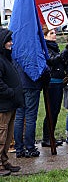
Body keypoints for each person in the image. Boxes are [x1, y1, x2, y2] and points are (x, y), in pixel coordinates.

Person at [0, 29, 23, 175]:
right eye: (8, 41)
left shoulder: (6, 58)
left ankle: (4, 160)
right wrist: (11, 92)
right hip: (3, 104)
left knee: (8, 135)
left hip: (11, 104)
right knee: (1, 134)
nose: (11, 43)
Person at [41, 25, 66, 148]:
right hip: (52, 82)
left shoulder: (55, 47)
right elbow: (51, 60)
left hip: (59, 81)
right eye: (51, 33)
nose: (54, 35)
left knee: (55, 111)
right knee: (51, 111)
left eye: (54, 32)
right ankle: (47, 137)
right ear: (45, 36)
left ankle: (51, 135)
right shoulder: (45, 47)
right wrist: (63, 55)